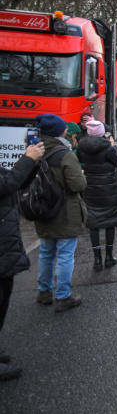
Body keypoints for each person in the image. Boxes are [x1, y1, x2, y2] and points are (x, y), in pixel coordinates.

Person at [33, 114, 87, 312]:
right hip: (65, 211)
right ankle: (63, 296)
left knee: (46, 252)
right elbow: (78, 184)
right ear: (58, 132)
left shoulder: (32, 151)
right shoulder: (64, 154)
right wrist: (81, 175)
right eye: (63, 127)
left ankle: (44, 292)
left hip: (42, 210)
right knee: (65, 254)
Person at [0, 140, 44, 381]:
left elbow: (14, 182)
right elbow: (7, 183)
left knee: (3, 299)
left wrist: (33, 163)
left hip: (3, 245)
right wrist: (28, 159)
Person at [76, 120, 117, 271]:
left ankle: (97, 259)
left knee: (93, 223)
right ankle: (109, 256)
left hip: (90, 188)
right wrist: (113, 146)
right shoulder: (108, 148)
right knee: (110, 222)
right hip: (108, 189)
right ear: (102, 132)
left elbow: (80, 163)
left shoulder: (81, 147)